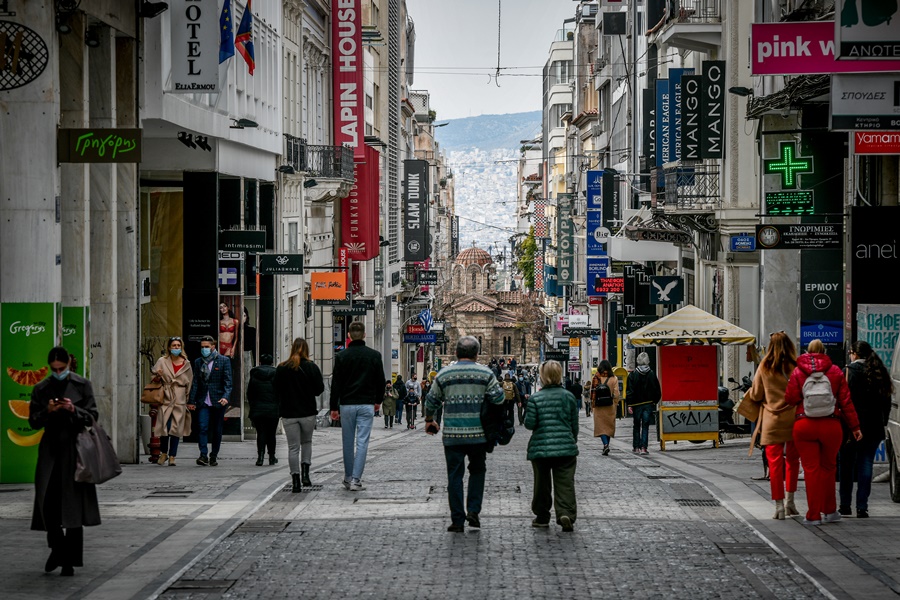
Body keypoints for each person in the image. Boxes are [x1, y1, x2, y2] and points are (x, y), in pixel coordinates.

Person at [29, 347, 101, 576]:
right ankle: (57, 549)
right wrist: (48, 411)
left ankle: (69, 560)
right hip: (50, 451)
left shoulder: (82, 385)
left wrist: (73, 409)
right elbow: (33, 421)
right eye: (54, 369)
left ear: (69, 364)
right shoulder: (41, 388)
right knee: (47, 503)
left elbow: (92, 416)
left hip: (75, 450)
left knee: (73, 507)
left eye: (62, 368)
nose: (58, 372)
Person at [424, 336, 505, 532]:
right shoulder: (485, 374)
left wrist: (429, 420)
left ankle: (457, 520)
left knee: (454, 476)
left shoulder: (444, 374)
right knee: (477, 471)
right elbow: (499, 398)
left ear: (455, 352)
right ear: (477, 354)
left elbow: (431, 400)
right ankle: (474, 511)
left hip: (452, 435)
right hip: (478, 434)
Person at [784, 339, 862, 525]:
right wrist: (855, 427)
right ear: (824, 351)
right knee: (829, 468)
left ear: (807, 351)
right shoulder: (835, 371)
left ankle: (813, 515)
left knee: (811, 470)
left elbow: (791, 397)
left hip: (804, 425)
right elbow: (846, 402)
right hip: (831, 425)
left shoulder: (797, 371)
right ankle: (829, 511)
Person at [738, 332, 800, 519]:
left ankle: (779, 506)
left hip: (772, 420)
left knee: (774, 464)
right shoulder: (795, 366)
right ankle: (790, 501)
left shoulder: (764, 367)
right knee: (792, 461)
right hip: (794, 418)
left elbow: (756, 395)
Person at [329, 321, 385, 491]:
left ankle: (347, 477)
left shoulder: (342, 357)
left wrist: (334, 407)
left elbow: (336, 383)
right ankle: (356, 479)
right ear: (364, 335)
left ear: (349, 336)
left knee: (347, 442)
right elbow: (380, 381)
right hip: (366, 404)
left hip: (346, 404)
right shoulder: (374, 356)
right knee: (362, 442)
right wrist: (378, 401)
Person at [525, 360, 579, 532]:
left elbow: (530, 424)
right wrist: (571, 440)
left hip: (541, 449)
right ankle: (566, 514)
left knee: (542, 484)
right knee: (565, 483)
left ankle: (542, 516)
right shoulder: (569, 397)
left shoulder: (536, 398)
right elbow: (574, 425)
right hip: (565, 447)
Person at [840, 340, 893, 518]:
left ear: (854, 353)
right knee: (866, 464)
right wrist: (883, 421)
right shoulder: (879, 373)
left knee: (846, 465)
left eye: (850, 352)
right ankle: (862, 506)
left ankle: (845, 505)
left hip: (851, 427)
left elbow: (842, 400)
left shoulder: (848, 372)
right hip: (873, 427)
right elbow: (886, 403)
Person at [275, 338, 325, 493]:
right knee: (307, 443)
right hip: (307, 412)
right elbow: (319, 389)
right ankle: (306, 475)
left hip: (289, 413)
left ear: (292, 348)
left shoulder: (282, 368)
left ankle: (295, 481)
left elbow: (275, 389)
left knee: (293, 448)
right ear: (306, 349)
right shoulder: (311, 367)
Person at [187, 335, 233, 466]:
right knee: (202, 427)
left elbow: (228, 382)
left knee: (217, 429)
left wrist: (225, 396)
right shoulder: (198, 362)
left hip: (218, 400)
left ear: (213, 346)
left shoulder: (223, 361)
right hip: (203, 401)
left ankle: (214, 456)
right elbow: (195, 382)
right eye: (202, 347)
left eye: (207, 347)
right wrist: (192, 401)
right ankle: (203, 455)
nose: (204, 349)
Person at [152, 337, 194, 467]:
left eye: (178, 346)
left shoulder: (186, 363)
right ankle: (164, 452)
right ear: (169, 347)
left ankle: (172, 456)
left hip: (180, 397)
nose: (176, 348)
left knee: (176, 428)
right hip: (166, 395)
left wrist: (188, 400)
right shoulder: (162, 361)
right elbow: (153, 378)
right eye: (174, 346)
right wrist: (158, 376)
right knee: (165, 425)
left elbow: (190, 382)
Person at [625, 352, 662, 456]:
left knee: (636, 425)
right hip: (648, 404)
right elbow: (657, 390)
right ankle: (644, 448)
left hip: (636, 405)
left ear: (637, 361)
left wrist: (630, 404)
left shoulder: (633, 375)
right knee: (645, 426)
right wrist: (654, 401)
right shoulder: (651, 374)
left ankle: (636, 447)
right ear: (648, 361)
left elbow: (629, 391)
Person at [247, 353, 279, 467]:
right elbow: (280, 392)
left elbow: (250, 392)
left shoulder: (254, 373)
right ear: (272, 362)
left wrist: (252, 406)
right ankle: (271, 457)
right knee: (271, 433)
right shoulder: (276, 373)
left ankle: (260, 457)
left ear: (260, 362)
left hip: (258, 408)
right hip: (272, 408)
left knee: (260, 433)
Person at [591, 360, 620, 456]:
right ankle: (607, 444)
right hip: (610, 406)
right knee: (608, 427)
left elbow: (593, 393)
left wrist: (592, 405)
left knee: (601, 427)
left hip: (599, 407)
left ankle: (605, 444)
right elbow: (616, 394)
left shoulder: (596, 377)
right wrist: (614, 404)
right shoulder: (614, 378)